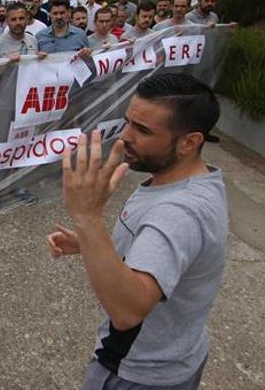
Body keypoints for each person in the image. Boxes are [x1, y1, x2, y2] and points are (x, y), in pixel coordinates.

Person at [48, 73, 227, 390]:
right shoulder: (195, 180)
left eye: (142, 130)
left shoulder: (178, 213)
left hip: (136, 373)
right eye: (128, 121)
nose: (124, 137)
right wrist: (90, 243)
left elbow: (128, 311)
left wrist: (87, 217)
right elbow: (154, 254)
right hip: (177, 355)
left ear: (189, 142)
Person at [0, 2, 47, 210]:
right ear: (7, 21)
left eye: (21, 18)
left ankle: (18, 186)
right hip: (3, 106)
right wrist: (5, 65)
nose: (18, 23)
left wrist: (42, 60)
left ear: (26, 18)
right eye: (13, 19)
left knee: (23, 146)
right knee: (1, 148)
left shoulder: (32, 40)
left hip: (26, 105)